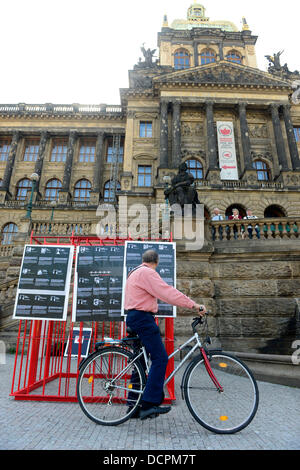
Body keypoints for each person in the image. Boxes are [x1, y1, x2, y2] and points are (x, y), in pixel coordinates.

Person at [124, 249, 206, 421]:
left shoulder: (136, 271)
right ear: (157, 261)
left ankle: (133, 406)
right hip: (143, 319)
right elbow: (168, 293)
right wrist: (193, 305)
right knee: (161, 358)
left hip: (135, 317)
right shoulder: (148, 273)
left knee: (140, 362)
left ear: (144, 259)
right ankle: (149, 404)